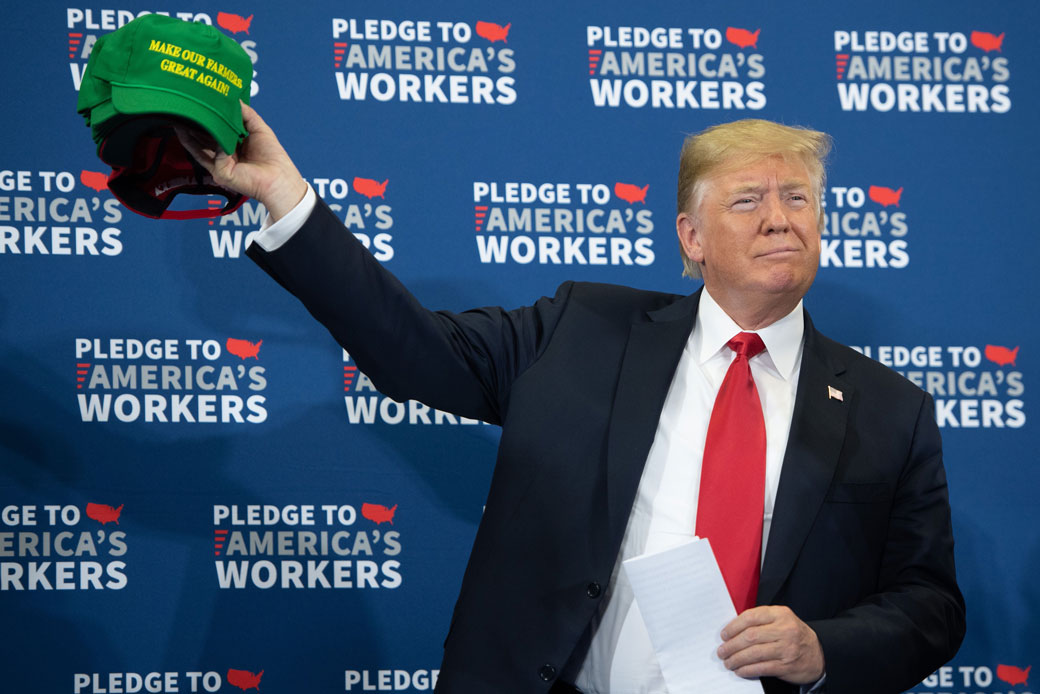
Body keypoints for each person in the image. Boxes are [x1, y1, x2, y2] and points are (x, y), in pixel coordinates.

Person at [178, 108, 965, 694]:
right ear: (690, 237)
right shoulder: (582, 329)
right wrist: (285, 195)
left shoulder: (891, 410)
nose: (779, 218)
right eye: (748, 199)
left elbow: (930, 605)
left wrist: (824, 649)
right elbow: (414, 351)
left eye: (797, 197)